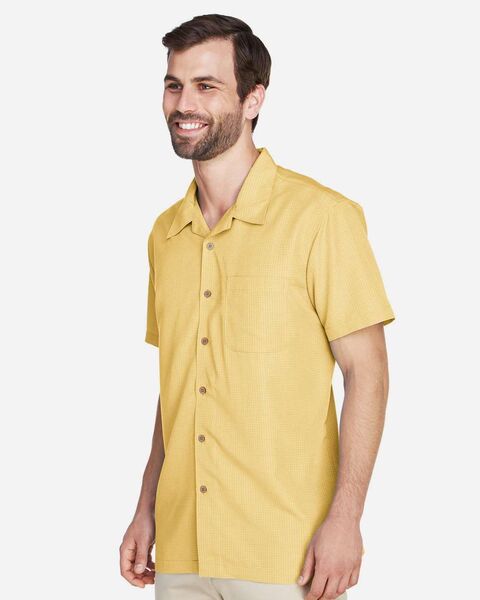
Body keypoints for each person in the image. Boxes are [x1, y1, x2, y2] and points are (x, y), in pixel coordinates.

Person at [119, 13, 396, 600]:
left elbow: (367, 372)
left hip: (287, 553)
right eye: (174, 85)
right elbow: (178, 385)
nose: (184, 103)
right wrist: (146, 505)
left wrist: (346, 519)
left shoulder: (322, 219)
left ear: (253, 100)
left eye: (206, 86)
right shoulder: (165, 234)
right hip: (182, 546)